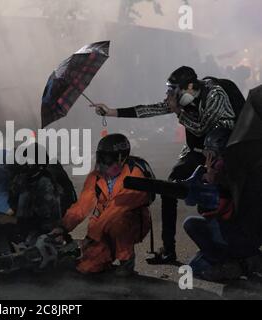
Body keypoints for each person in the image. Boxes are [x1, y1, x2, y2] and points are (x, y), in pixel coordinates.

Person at [92, 66, 238, 264]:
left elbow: (203, 128)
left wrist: (179, 112)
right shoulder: (180, 99)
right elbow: (150, 110)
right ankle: (169, 250)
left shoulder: (214, 95)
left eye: (173, 90)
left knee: (223, 199)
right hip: (196, 152)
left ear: (188, 87)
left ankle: (232, 248)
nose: (169, 95)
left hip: (224, 154)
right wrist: (111, 112)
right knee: (171, 188)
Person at [51, 134, 152, 276]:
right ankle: (106, 258)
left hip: (131, 222)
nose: (103, 163)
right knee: (86, 267)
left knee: (118, 222)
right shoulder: (96, 176)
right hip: (103, 225)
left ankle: (126, 261)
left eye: (108, 159)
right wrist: (62, 228)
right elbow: (82, 205)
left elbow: (115, 210)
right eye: (101, 157)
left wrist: (89, 239)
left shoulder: (135, 176)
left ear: (121, 158)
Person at [183, 127, 262, 281]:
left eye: (211, 154)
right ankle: (244, 259)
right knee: (196, 265)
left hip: (240, 234)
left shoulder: (229, 176)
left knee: (192, 228)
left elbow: (212, 210)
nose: (208, 160)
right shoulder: (238, 170)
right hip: (243, 232)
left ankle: (241, 263)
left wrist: (211, 183)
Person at [0, 143, 69, 257]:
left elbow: (44, 222)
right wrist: (7, 215)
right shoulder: (25, 179)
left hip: (40, 231)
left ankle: (11, 256)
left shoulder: (45, 184)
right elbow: (16, 205)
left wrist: (11, 220)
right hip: (24, 225)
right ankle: (4, 254)